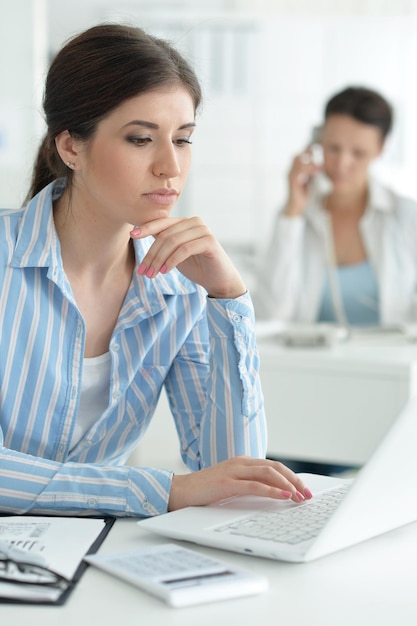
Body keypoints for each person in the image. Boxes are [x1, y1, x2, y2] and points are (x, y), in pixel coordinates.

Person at [0, 23, 312, 517]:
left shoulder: (178, 286)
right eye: (141, 138)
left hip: (96, 560)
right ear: (71, 148)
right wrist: (162, 490)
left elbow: (229, 469)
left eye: (183, 139)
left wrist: (227, 298)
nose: (171, 166)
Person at [254, 86, 417, 327]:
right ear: (318, 140)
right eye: (333, 148)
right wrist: (293, 212)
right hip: (317, 363)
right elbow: (271, 312)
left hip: (389, 362)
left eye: (358, 153)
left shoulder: (406, 215)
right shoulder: (298, 215)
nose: (342, 164)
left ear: (380, 149)